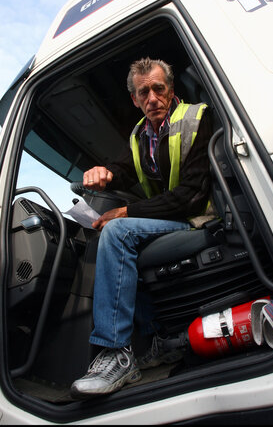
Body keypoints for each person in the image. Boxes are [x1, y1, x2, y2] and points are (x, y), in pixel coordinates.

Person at [70, 57, 213, 398]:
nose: (152, 98)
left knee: (119, 232)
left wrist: (126, 212)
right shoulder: (140, 136)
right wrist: (101, 175)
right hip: (170, 218)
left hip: (198, 217)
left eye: (158, 89)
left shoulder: (196, 118)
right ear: (134, 99)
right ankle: (159, 340)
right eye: (143, 92)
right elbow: (120, 170)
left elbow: (192, 195)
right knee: (117, 234)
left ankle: (116, 352)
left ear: (170, 90)